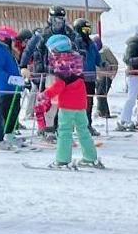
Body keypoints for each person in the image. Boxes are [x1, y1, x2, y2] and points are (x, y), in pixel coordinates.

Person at [44, 36, 103, 170]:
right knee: (83, 130)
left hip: (67, 104)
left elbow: (60, 85)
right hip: (80, 103)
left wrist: (46, 94)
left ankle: (62, 160)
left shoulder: (61, 64)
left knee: (64, 131)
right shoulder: (76, 60)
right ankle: (90, 157)